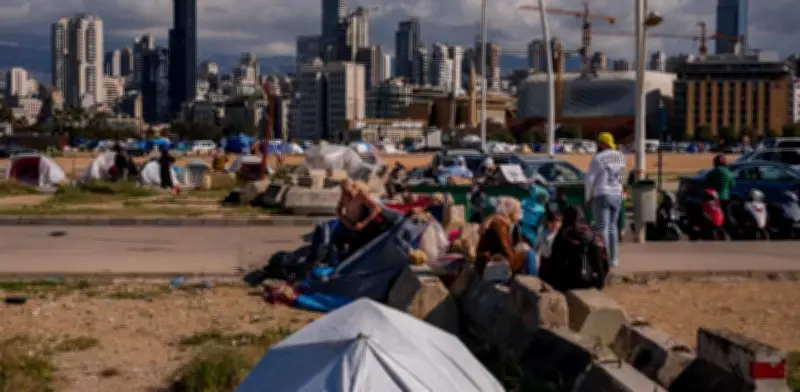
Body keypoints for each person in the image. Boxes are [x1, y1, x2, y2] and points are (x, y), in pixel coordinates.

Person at [539, 206, 609, 292]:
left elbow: (554, 262)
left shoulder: (564, 234)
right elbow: (605, 261)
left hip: (571, 282)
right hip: (594, 280)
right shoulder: (596, 233)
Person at [585, 132, 625, 267]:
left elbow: (590, 179)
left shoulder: (598, 158)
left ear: (602, 143)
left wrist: (588, 197)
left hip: (601, 193)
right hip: (617, 193)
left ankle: (604, 258)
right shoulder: (621, 156)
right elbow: (622, 176)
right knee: (613, 227)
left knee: (603, 228)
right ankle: (614, 258)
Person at [336, 179, 396, 252]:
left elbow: (377, 209)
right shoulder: (344, 196)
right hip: (347, 224)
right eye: (346, 193)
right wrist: (345, 221)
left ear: (352, 187)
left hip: (358, 225)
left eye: (349, 192)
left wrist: (363, 223)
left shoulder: (361, 195)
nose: (350, 195)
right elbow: (338, 210)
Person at [475, 197, 527, 276]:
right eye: (516, 210)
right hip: (488, 263)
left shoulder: (496, 219)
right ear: (510, 211)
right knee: (529, 255)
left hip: (488, 260)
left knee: (523, 252)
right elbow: (504, 247)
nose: (517, 214)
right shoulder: (499, 224)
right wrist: (512, 260)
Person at [705, 154, 735, 224]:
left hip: (714, 199)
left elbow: (707, 184)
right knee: (726, 215)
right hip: (725, 198)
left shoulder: (711, 172)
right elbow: (732, 185)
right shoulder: (728, 172)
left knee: (713, 216)